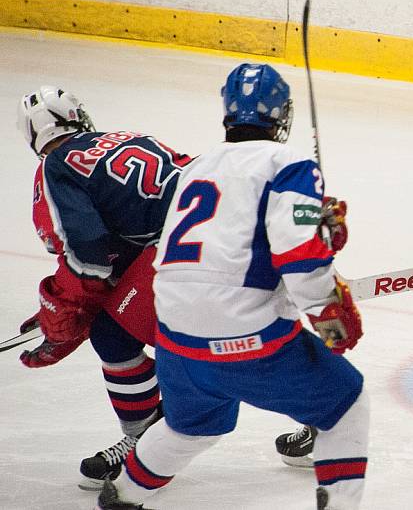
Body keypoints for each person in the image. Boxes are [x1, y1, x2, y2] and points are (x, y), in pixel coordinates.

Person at [96, 63, 369, 510]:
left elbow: (229, 235)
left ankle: (121, 497)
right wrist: (328, 315)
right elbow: (298, 254)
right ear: (282, 115)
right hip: (246, 339)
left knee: (190, 428)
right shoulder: (289, 163)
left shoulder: (195, 168)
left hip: (176, 341)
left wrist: (315, 222)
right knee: (347, 406)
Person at [16, 86, 194, 488]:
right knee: (242, 338)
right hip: (219, 228)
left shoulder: (56, 165)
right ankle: (322, 411)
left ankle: (142, 442)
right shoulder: (128, 138)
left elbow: (90, 255)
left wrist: (63, 308)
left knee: (114, 335)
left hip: (180, 251)